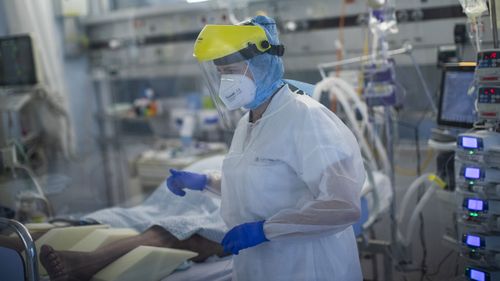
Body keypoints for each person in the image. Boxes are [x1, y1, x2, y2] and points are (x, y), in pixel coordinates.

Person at [166, 15, 366, 281]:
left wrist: (265, 230)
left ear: (261, 64)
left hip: (307, 267)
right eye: (220, 73)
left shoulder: (306, 118)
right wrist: (204, 182)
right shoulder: (246, 123)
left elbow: (342, 206)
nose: (226, 81)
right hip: (259, 267)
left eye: (232, 71)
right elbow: (259, 187)